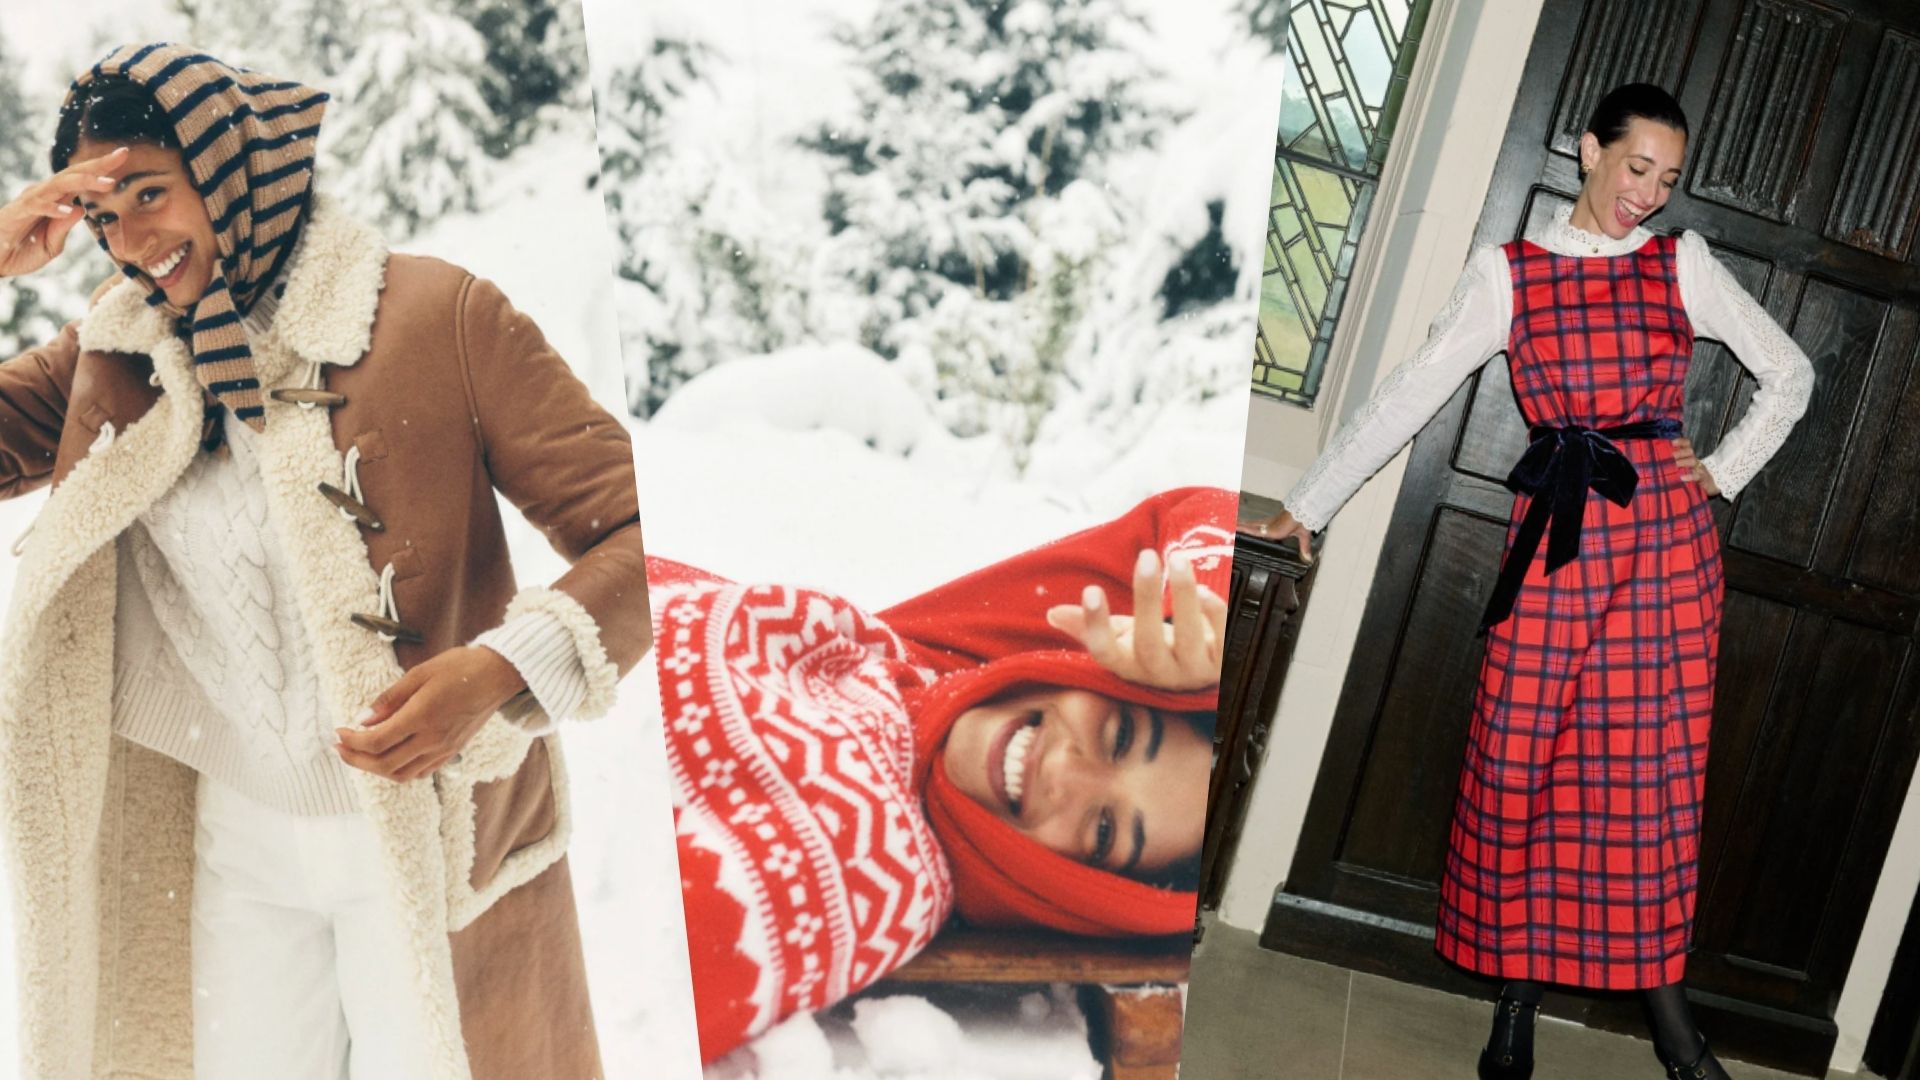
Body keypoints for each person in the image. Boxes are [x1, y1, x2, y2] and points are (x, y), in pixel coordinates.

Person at [0, 44, 649, 1079]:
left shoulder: (442, 315)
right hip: (230, 849)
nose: (130, 240)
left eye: (152, 194)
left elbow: (640, 534)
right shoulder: (113, 356)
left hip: (434, 833)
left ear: (227, 172)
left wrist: (500, 671)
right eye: (102, 216)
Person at [1246, 83, 1814, 1079]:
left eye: (1668, 179)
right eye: (1637, 167)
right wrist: (1310, 503)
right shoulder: (1508, 275)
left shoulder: (1683, 265)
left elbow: (1791, 374)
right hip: (1553, 545)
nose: (1649, 193)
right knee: (1520, 769)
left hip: (1663, 557)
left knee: (1645, 788)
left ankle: (1676, 1032)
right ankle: (1517, 1002)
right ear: (1590, 149)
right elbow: (1412, 392)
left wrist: (1720, 471)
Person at [648, 486, 1235, 1063]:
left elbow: (637, 981)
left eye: (1105, 831)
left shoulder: (872, 866)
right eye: (1123, 734)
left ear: (1068, 886)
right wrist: (1201, 626)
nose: (1062, 772)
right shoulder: (950, 674)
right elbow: (1205, 510)